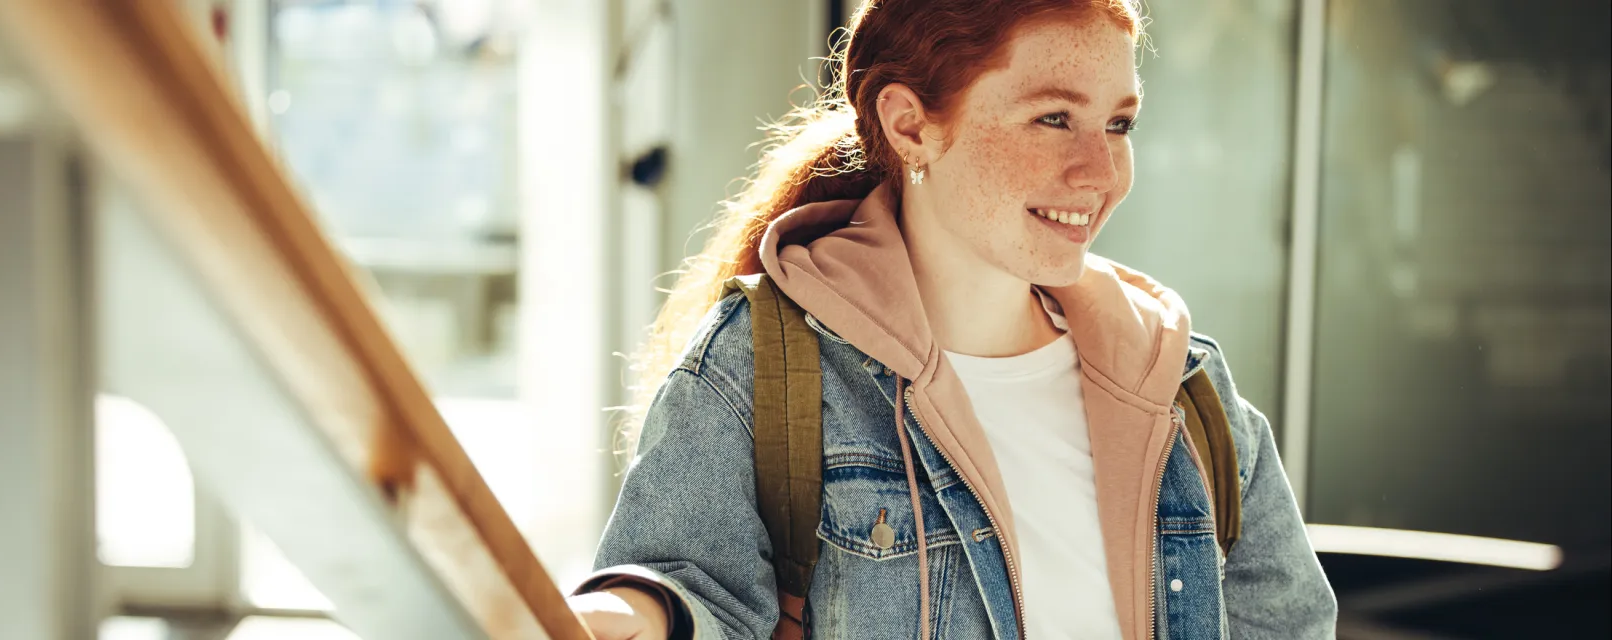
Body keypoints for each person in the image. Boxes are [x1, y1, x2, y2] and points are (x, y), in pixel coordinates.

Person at [566, 0, 1337, 638]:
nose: (1102, 174)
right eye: (1053, 119)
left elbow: (1288, 625)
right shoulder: (762, 367)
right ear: (910, 127)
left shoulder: (1179, 385)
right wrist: (627, 614)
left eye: (1119, 124)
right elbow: (691, 595)